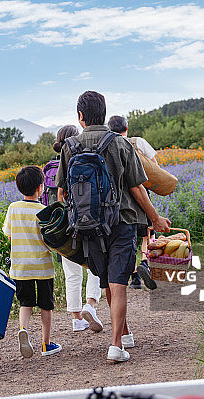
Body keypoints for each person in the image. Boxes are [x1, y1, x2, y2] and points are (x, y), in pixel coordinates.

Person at [57, 91, 171, 363]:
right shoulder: (119, 144)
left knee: (108, 280)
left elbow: (61, 193)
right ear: (105, 114)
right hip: (122, 222)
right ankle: (115, 345)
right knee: (118, 282)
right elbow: (137, 188)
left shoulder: (69, 146)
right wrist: (155, 218)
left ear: (80, 116)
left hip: (88, 226)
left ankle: (125, 332)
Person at [48, 125, 104, 333]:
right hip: (84, 219)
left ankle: (76, 319)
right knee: (95, 266)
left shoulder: (49, 168)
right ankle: (91, 304)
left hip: (60, 227)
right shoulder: (80, 161)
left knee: (71, 273)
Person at [3, 166, 61, 358]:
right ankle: (46, 344)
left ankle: (23, 329)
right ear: (40, 188)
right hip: (43, 267)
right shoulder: (43, 211)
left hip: (20, 267)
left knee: (25, 302)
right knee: (46, 304)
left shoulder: (13, 208)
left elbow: (9, 235)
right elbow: (48, 241)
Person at [107, 115, 157, 291]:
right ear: (126, 128)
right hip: (141, 195)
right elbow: (154, 168)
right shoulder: (138, 142)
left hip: (121, 201)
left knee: (129, 238)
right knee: (148, 233)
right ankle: (145, 261)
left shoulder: (108, 146)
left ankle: (134, 275)